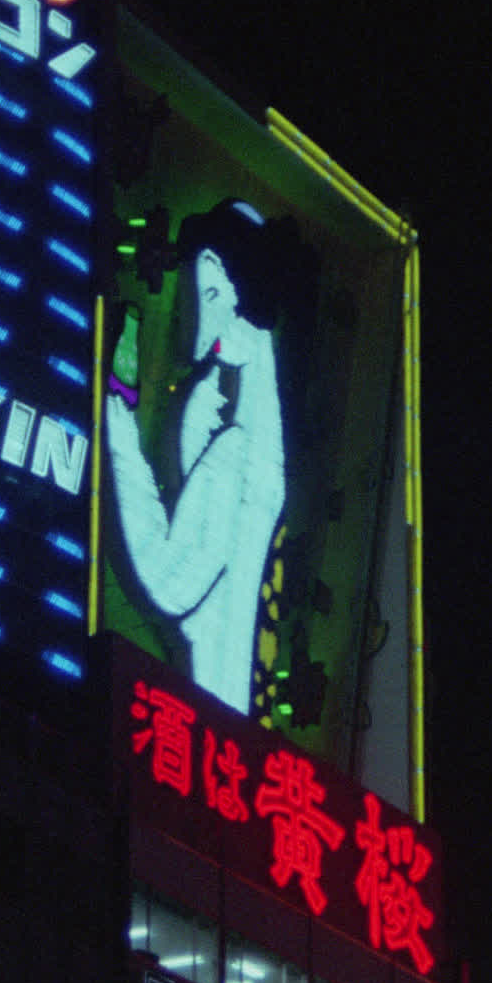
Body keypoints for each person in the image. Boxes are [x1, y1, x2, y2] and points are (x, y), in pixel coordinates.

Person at [105, 200, 291, 714]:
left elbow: (168, 583)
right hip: (218, 721)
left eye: (200, 293)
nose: (190, 313)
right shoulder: (242, 402)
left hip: (209, 723)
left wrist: (115, 425)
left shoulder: (238, 443)